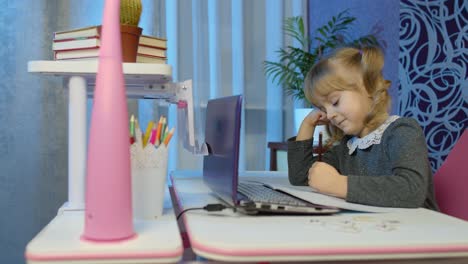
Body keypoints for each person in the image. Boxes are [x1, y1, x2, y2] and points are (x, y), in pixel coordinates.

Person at [288, 46, 438, 210]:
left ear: (369, 87)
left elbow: (412, 190)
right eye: (323, 109)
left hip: (419, 229)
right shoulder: (348, 147)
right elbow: (301, 176)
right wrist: (308, 123)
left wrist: (340, 185)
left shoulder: (402, 131)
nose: (329, 115)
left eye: (335, 102)